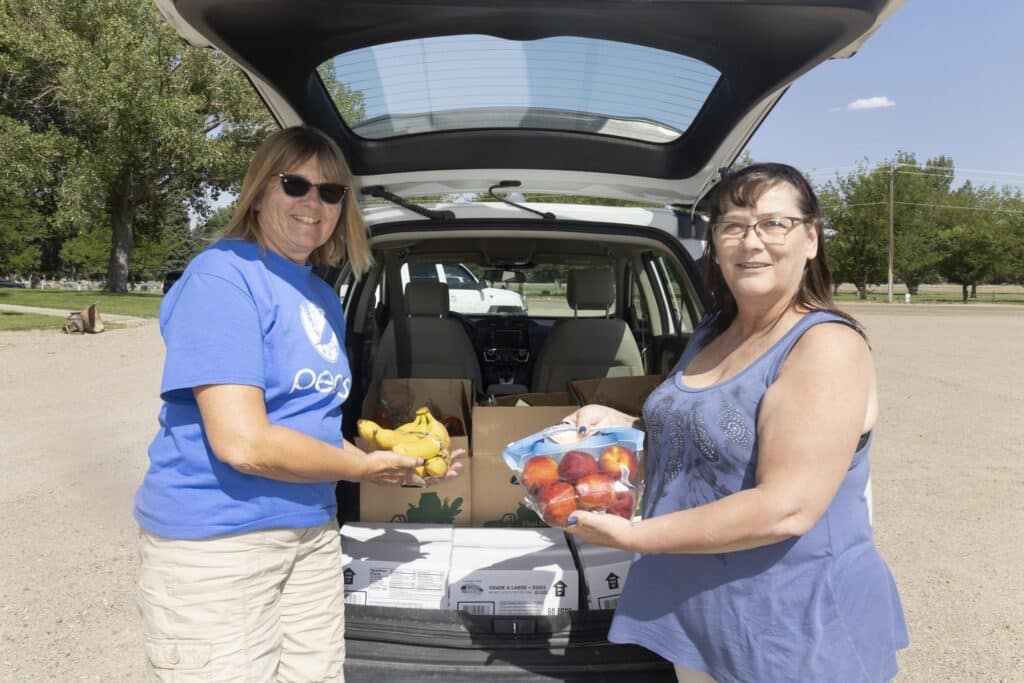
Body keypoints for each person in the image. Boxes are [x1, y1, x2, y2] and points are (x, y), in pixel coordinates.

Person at [133, 126, 462, 682]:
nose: (314, 203)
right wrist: (360, 466)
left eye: (331, 192)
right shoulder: (223, 277)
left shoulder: (319, 294)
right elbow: (243, 442)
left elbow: (309, 430)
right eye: (295, 185)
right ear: (261, 190)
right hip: (222, 543)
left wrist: (388, 471)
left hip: (310, 530)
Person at [564, 163, 908, 682]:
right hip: (703, 620)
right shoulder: (713, 332)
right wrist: (624, 424)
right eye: (733, 226)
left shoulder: (825, 347)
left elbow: (786, 508)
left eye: (775, 224)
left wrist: (635, 537)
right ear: (716, 243)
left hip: (792, 633)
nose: (752, 242)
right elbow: (708, 439)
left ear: (811, 238)